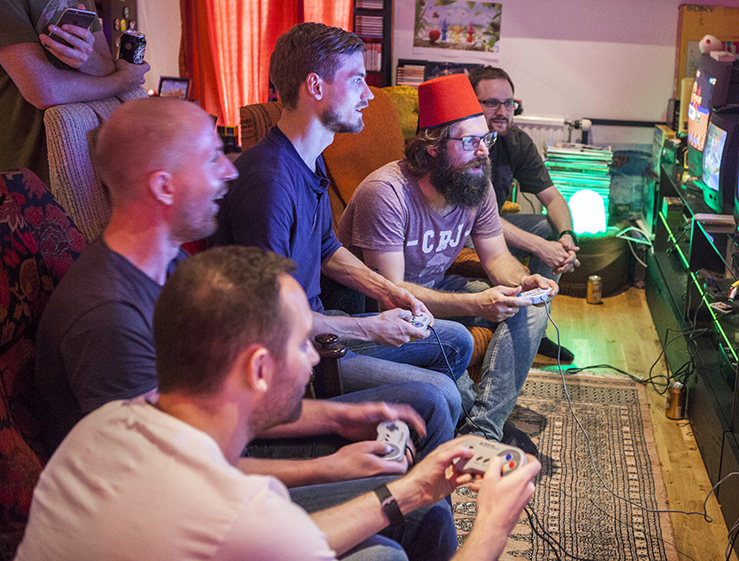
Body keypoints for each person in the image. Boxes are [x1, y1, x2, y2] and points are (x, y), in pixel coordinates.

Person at [34, 97, 457, 520]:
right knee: (422, 511)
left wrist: (341, 417)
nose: (230, 170)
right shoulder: (109, 315)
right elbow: (168, 469)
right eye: (211, 158)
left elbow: (220, 405)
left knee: (424, 402)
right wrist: (327, 467)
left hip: (224, 447)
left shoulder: (170, 263)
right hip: (173, 507)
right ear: (163, 186)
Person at [16, 245, 541, 561]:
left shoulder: (109, 424)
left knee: (404, 527)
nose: (315, 357)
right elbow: (269, 533)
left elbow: (295, 537)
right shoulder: (236, 514)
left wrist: (415, 487)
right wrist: (493, 523)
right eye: (301, 343)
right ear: (259, 369)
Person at [211, 23, 472, 419]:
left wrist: (388, 291)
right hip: (292, 351)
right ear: (315, 86)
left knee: (456, 340)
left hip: (321, 326)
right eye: (356, 80)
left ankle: (442, 434)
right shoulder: (269, 183)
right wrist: (371, 328)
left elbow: (326, 248)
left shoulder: (307, 158)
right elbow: (269, 319)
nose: (368, 94)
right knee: (440, 396)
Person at [339, 74, 558, 447]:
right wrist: (475, 304)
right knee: (452, 335)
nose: (484, 151)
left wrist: (522, 282)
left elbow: (497, 257)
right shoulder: (387, 193)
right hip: (379, 312)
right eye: (470, 141)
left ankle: (483, 428)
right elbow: (390, 296)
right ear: (433, 146)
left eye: (485, 139)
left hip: (434, 290)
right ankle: (480, 427)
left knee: (531, 306)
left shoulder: (476, 182)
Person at [467, 66, 579, 364]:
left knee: (550, 227)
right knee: (542, 240)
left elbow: (552, 197)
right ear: (472, 103)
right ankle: (523, 329)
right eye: (492, 103)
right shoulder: (465, 142)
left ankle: (535, 327)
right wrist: (540, 247)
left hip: (493, 230)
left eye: (508, 103)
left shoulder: (515, 141)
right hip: (462, 234)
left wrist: (566, 238)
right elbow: (475, 217)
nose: (502, 111)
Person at [0, 0, 149, 183]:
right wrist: (123, 81)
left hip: (82, 159)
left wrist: (88, 58)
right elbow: (44, 92)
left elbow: (105, 69)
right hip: (23, 166)